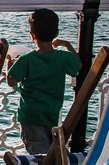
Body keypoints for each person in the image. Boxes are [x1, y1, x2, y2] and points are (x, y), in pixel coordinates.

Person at [6, 9, 81, 155]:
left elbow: (11, 81)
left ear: (32, 35)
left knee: (40, 157)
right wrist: (68, 45)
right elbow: (77, 67)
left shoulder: (26, 59)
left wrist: (9, 63)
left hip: (31, 116)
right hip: (52, 113)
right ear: (56, 33)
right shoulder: (64, 57)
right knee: (55, 152)